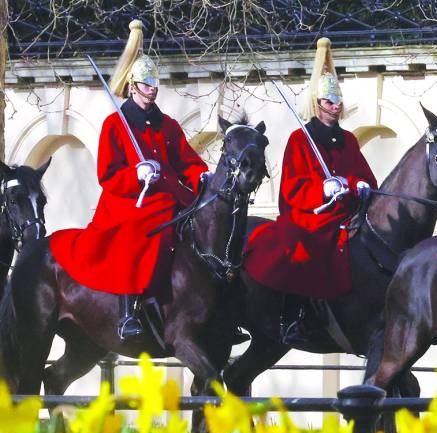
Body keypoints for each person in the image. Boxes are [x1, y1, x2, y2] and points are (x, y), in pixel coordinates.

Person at [49, 19, 208, 341]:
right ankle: (128, 311)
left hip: (170, 197)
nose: (152, 89)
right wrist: (136, 175)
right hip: (128, 202)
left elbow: (187, 161)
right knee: (138, 232)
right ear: (132, 86)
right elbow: (108, 174)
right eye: (146, 84)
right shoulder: (115, 125)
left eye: (154, 84)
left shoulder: (168, 125)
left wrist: (202, 174)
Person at [244, 38, 377, 345]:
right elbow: (293, 187)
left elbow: (365, 177)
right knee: (304, 248)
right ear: (318, 104)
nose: (336, 107)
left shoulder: (350, 140)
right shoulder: (300, 139)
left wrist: (360, 187)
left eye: (338, 102)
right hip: (310, 216)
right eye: (330, 102)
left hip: (346, 214)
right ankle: (295, 316)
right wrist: (322, 189)